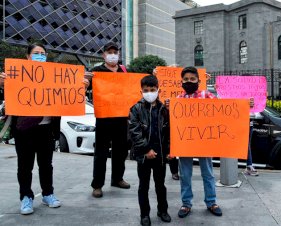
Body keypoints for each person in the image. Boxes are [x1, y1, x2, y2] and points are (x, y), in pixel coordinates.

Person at [0, 43, 89, 215]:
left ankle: (48, 193)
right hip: (24, 130)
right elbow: (7, 99)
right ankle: (26, 197)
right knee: (25, 166)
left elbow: (69, 96)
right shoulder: (16, 75)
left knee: (46, 165)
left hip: (46, 129)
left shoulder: (54, 76)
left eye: (43, 53)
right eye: (36, 53)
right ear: (27, 57)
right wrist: (3, 84)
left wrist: (81, 86)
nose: (40, 56)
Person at [172, 66, 223, 218]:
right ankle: (186, 203)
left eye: (192, 79)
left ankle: (211, 202)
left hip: (204, 141)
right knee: (185, 174)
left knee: (208, 173)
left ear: (198, 81)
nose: (189, 82)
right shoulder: (178, 99)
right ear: (181, 81)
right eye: (186, 79)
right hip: (185, 142)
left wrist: (247, 104)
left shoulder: (206, 95)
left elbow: (222, 109)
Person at [89, 42, 131, 198]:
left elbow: (131, 90)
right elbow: (85, 88)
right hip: (103, 118)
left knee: (121, 151)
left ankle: (118, 178)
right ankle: (97, 185)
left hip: (121, 118)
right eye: (109, 52)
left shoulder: (124, 71)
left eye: (115, 52)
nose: (113, 54)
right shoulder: (96, 71)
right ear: (104, 55)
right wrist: (86, 80)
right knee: (101, 152)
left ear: (118, 54)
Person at [129, 75, 171, 226]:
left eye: (152, 90)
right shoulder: (136, 109)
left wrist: (169, 150)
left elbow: (169, 132)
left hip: (160, 155)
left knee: (161, 185)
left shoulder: (164, 109)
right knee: (143, 186)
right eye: (146, 90)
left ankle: (163, 210)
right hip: (144, 156)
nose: (149, 93)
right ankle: (144, 214)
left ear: (158, 90)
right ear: (141, 91)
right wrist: (146, 149)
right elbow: (134, 132)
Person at [152, 66, 179, 180]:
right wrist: (154, 76)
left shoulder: (181, 94)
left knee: (174, 149)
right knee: (165, 148)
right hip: (163, 122)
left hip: (176, 122)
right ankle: (171, 171)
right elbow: (153, 92)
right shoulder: (157, 100)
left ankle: (176, 171)